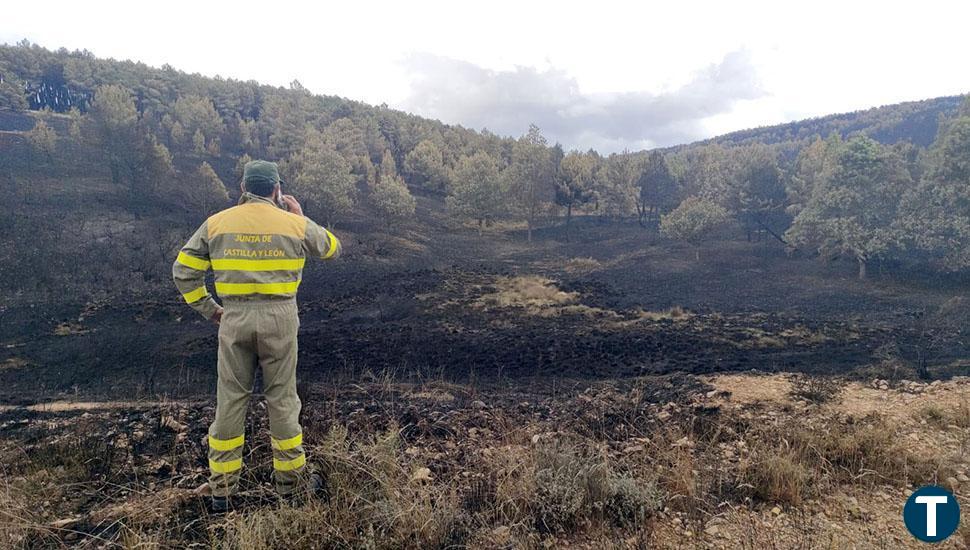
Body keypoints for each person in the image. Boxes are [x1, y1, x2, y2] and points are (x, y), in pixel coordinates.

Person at [172, 160, 341, 512]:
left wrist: (211, 310)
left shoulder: (217, 223)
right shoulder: (293, 223)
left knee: (231, 399)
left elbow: (183, 272)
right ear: (277, 190)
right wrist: (300, 216)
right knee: (282, 399)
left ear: (243, 189)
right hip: (280, 318)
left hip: (233, 317)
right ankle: (291, 488)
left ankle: (222, 491)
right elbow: (331, 248)